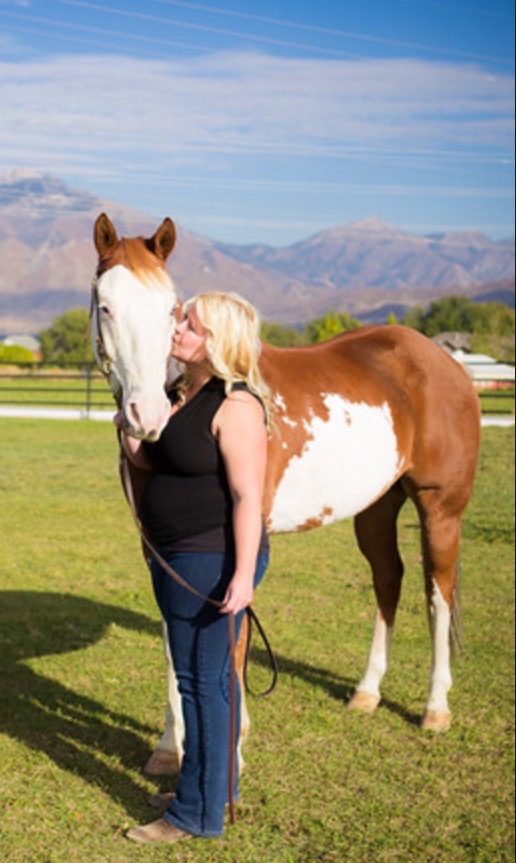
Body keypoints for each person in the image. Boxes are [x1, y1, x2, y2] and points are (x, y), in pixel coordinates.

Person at [119, 291, 271, 844]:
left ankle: (195, 815)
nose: (177, 328)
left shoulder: (237, 405)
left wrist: (241, 575)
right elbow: (150, 457)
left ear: (217, 343)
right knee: (210, 684)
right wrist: (127, 422)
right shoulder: (183, 395)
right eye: (181, 319)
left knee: (200, 686)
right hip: (176, 556)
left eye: (190, 324)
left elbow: (247, 496)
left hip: (211, 560)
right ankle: (215, 789)